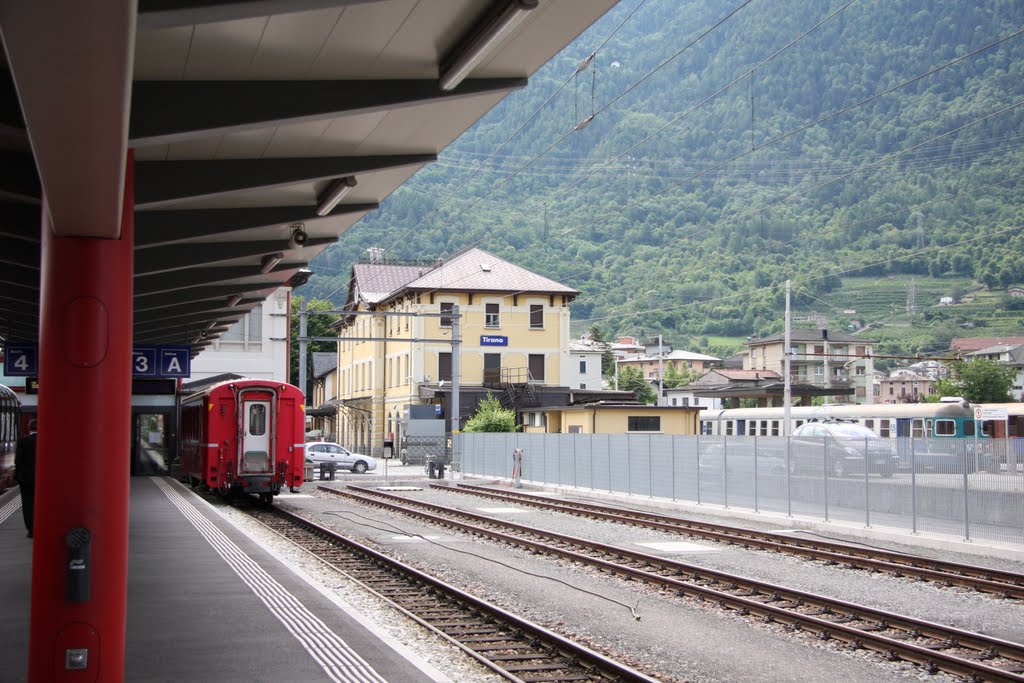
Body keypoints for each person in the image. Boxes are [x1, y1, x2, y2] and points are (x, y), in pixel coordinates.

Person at [15, 418, 37, 538]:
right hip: (44, 480)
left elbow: (18, 461)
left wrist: (19, 477)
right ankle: (41, 525)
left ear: (29, 428)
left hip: (27, 479)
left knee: (28, 504)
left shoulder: (23, 441)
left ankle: (31, 528)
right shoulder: (47, 440)